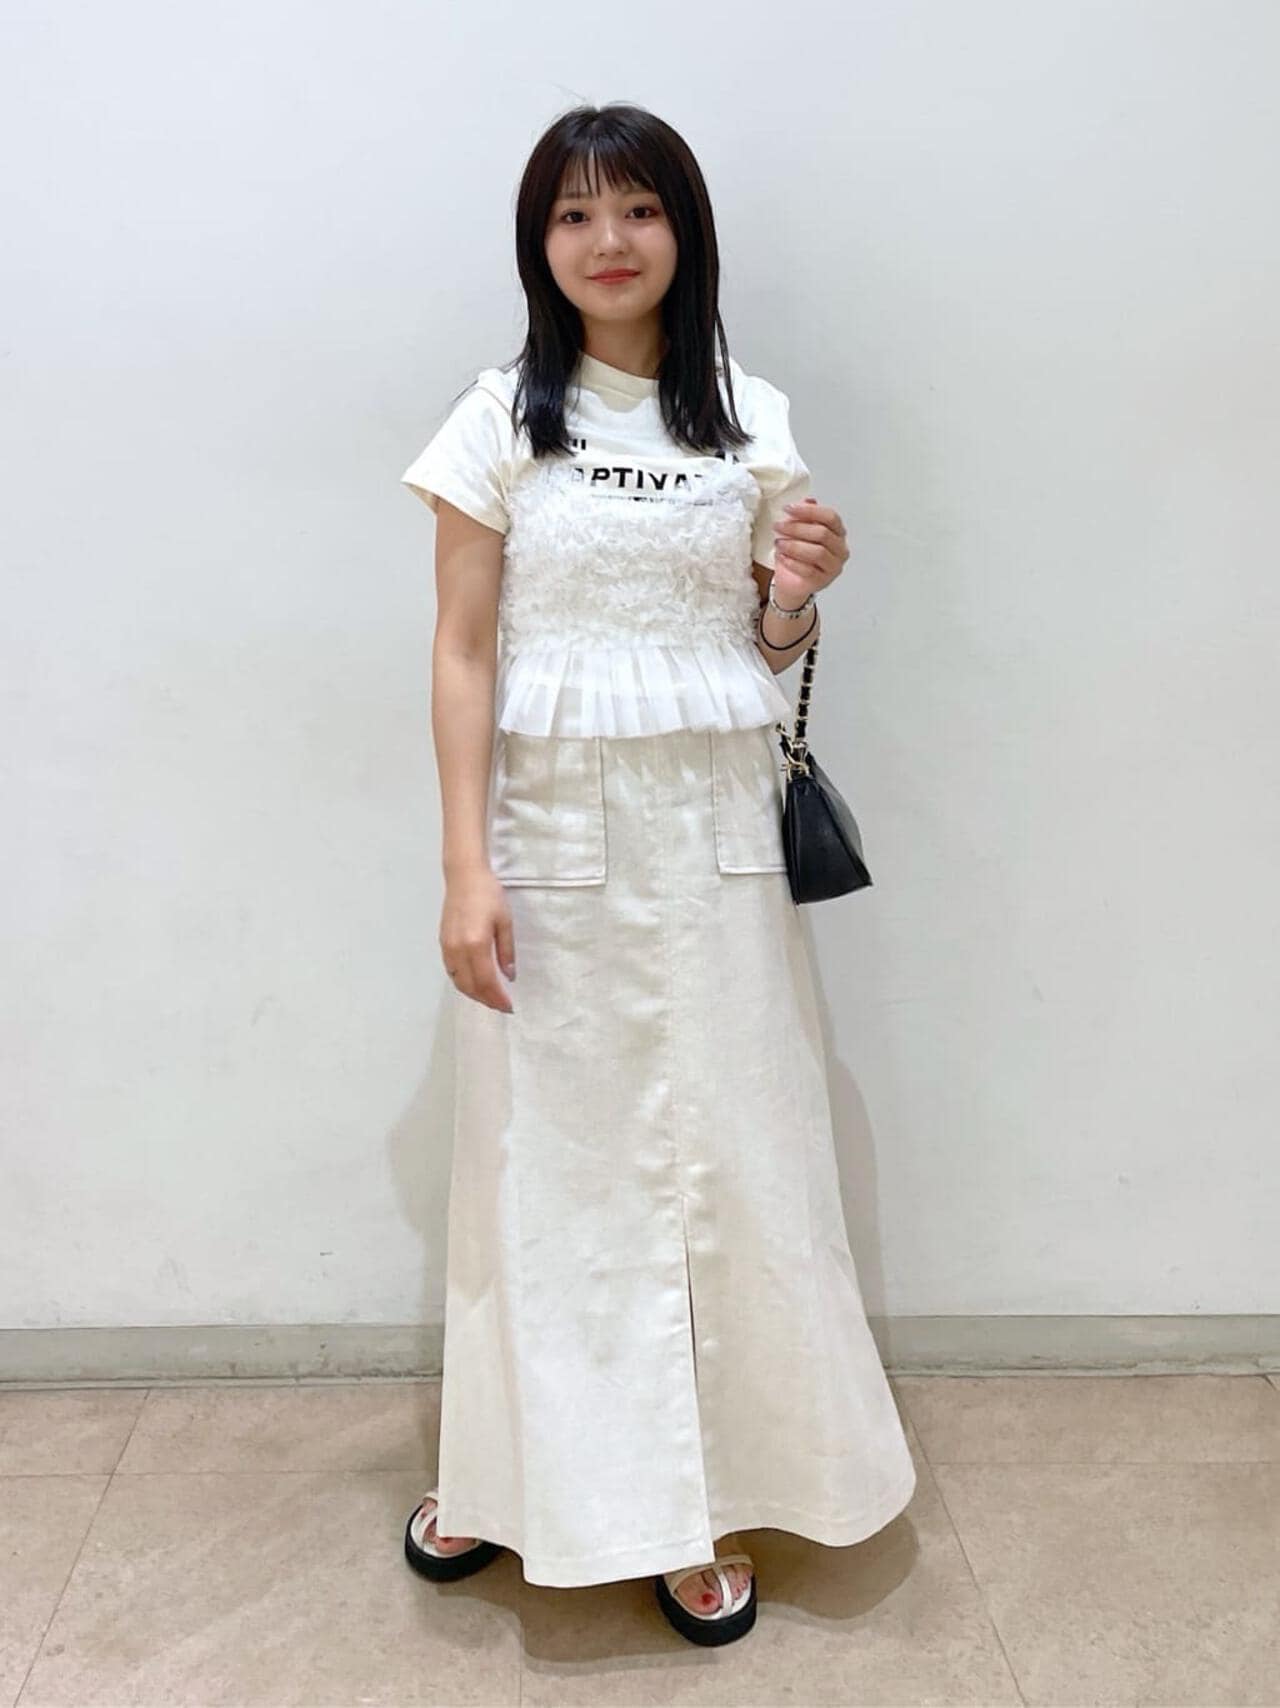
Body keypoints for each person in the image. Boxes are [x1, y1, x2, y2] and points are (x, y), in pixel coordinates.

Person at [396, 102, 916, 1647]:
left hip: (716, 842)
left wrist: (797, 593)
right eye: (573, 214)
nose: (607, 241)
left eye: (636, 209)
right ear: (539, 244)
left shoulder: (749, 417)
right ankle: (507, 1478)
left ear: (683, 233)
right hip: (552, 843)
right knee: (542, 1166)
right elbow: (462, 650)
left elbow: (765, 643)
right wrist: (464, 865)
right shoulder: (497, 421)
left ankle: (703, 1502)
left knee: (731, 1158)